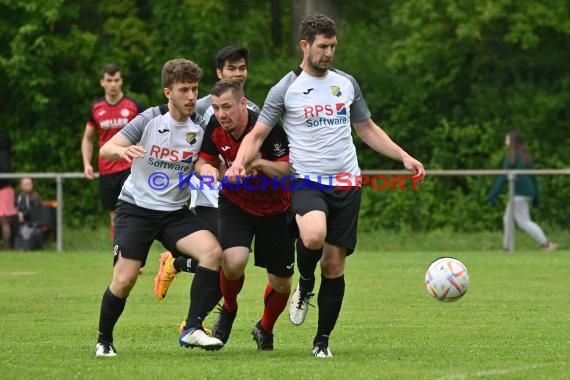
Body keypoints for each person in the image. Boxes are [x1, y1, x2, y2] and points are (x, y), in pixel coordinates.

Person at [225, 14, 425, 358]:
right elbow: (257, 134)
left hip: (348, 182)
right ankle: (305, 283)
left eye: (333, 45)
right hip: (306, 180)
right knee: (313, 236)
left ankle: (322, 343)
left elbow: (367, 128)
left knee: (333, 264)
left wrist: (403, 156)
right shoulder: (285, 88)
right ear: (305, 46)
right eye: (323, 46)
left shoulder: (346, 83)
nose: (329, 52)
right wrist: (241, 162)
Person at [93, 58, 224, 357]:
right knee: (125, 279)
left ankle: (192, 329)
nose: (191, 96)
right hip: (136, 208)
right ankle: (104, 340)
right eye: (184, 90)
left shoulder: (200, 127)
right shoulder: (150, 118)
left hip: (174, 213)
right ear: (168, 92)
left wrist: (209, 171)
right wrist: (122, 149)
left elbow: (206, 161)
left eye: (194, 89)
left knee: (213, 253)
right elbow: (106, 148)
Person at [154, 46, 261, 301]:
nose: (237, 74)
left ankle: (176, 264)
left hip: (238, 194)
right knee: (223, 258)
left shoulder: (252, 108)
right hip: (207, 191)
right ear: (219, 72)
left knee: (230, 262)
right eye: (231, 69)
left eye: (242, 68)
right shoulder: (199, 106)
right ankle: (195, 322)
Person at [195, 79, 294, 351]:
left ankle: (264, 328)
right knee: (233, 261)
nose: (220, 114)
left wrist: (258, 164)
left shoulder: (267, 127)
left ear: (242, 103)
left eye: (226, 107)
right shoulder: (214, 127)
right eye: (215, 108)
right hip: (235, 205)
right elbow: (203, 161)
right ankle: (228, 308)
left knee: (282, 283)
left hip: (275, 209)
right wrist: (209, 172)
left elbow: (287, 170)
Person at [81, 64, 144, 238]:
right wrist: (87, 164)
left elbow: (147, 134)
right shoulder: (95, 109)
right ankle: (120, 255)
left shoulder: (134, 106)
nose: (113, 84)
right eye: (109, 80)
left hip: (130, 167)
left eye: (116, 80)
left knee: (132, 212)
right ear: (102, 82)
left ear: (121, 81)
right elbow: (88, 138)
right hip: (107, 169)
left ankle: (133, 257)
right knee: (114, 216)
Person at [488, 130, 557, 252]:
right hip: (526, 193)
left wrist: (493, 195)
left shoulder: (512, 156)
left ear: (512, 141)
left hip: (519, 193)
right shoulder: (525, 155)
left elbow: (503, 177)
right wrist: (536, 196)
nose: (505, 142)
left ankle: (545, 244)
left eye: (507, 139)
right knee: (509, 219)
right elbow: (533, 178)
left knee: (523, 221)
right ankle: (507, 247)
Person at [0, 132, 17, 250]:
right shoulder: (5, 155)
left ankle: (7, 246)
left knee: (4, 221)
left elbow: (5, 173)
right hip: (5, 189)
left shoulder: (3, 156)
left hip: (3, 189)